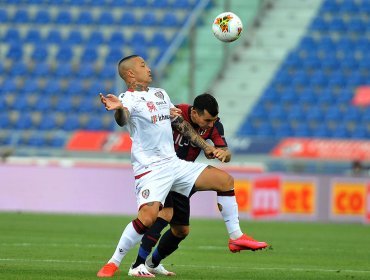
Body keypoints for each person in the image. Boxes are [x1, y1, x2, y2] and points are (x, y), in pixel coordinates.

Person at [97, 55, 268, 278]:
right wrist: (118, 108)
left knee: (225, 181)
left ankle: (236, 237)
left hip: (175, 164)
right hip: (151, 169)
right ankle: (113, 262)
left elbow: (181, 124)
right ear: (130, 74)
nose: (149, 69)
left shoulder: (160, 94)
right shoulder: (127, 99)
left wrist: (206, 147)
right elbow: (123, 118)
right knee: (148, 218)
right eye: (142, 66)